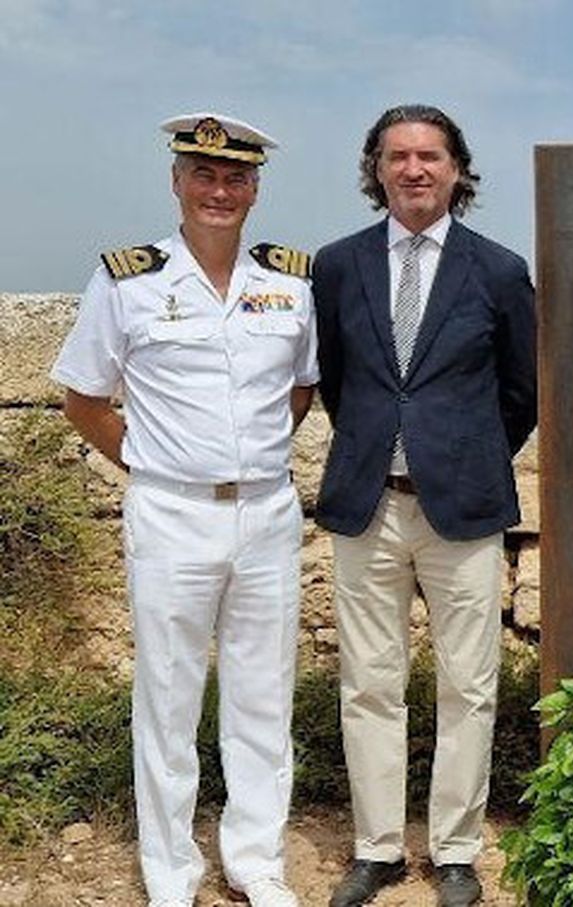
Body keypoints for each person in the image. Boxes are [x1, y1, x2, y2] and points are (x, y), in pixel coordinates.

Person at [51, 113, 316, 907]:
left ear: (256, 188)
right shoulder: (128, 280)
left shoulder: (289, 282)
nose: (220, 190)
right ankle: (170, 874)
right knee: (167, 698)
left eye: (236, 177)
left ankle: (256, 862)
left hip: (266, 512)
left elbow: (299, 388)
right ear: (176, 182)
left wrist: (245, 460)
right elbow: (83, 396)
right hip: (170, 515)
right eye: (203, 174)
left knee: (264, 693)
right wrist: (157, 463)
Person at [315, 104, 537, 907]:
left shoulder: (500, 270)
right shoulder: (336, 267)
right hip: (367, 503)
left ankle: (453, 852)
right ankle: (376, 848)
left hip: (464, 508)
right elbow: (338, 382)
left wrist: (460, 457)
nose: (414, 169)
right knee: (369, 682)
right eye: (398, 155)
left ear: (457, 169)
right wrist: (383, 449)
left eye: (431, 156)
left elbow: (522, 392)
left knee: (468, 684)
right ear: (376, 168)